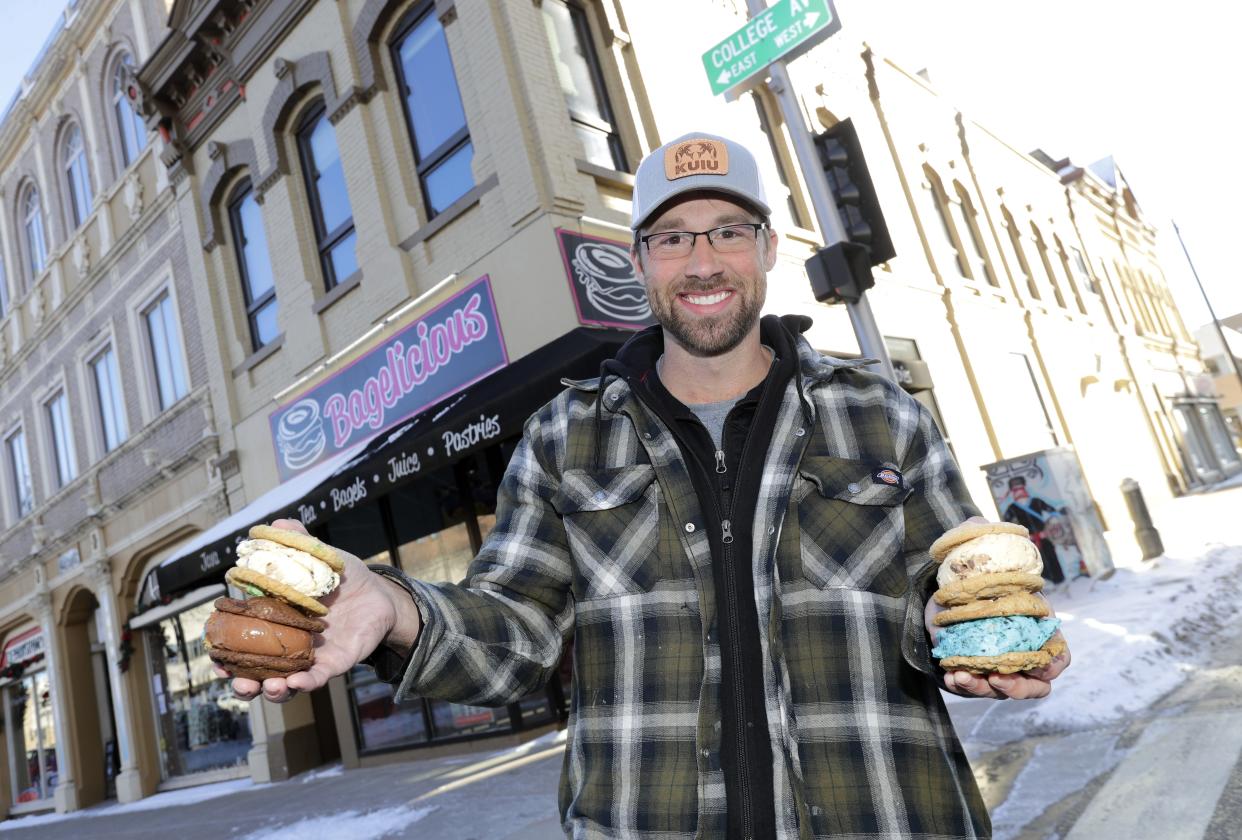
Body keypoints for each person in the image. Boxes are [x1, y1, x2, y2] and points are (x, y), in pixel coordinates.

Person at [224, 132, 1070, 838]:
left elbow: (960, 589)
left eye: (728, 231)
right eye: (673, 239)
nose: (703, 261)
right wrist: (393, 610)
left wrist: (984, 640)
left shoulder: (882, 416)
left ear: (769, 247)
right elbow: (511, 634)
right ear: (638, 261)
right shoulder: (564, 436)